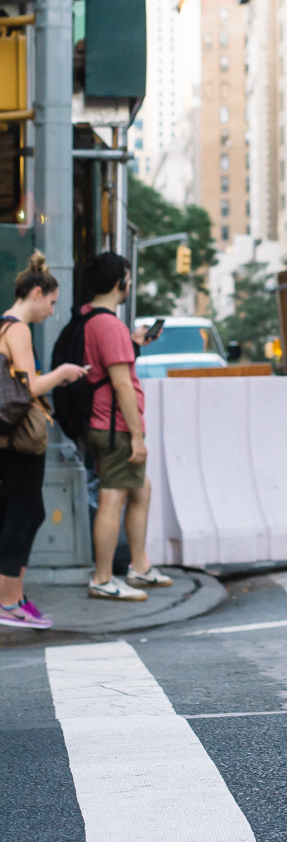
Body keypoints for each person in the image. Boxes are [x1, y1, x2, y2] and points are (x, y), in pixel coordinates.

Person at [0, 253, 89, 629]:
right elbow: (31, 386)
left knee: (24, 511)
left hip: (9, 436)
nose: (52, 312)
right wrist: (63, 373)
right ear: (37, 292)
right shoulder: (17, 329)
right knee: (24, 511)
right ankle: (7, 602)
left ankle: (14, 596)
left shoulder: (5, 326)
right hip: (19, 438)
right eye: (51, 303)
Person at [81, 251, 172, 601]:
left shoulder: (91, 318)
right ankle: (103, 579)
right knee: (112, 498)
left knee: (140, 489)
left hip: (103, 423)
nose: (129, 283)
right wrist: (137, 436)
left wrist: (132, 343)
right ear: (120, 282)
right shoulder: (110, 326)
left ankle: (139, 567)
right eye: (128, 277)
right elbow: (121, 384)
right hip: (116, 426)